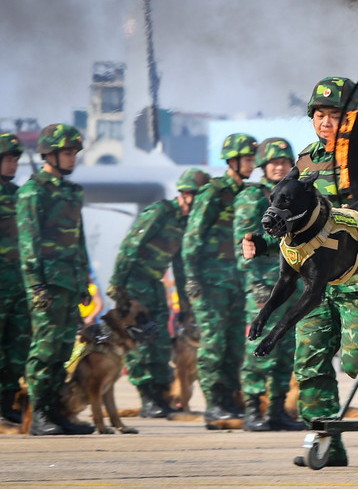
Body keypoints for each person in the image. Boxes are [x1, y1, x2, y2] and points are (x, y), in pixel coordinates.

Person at [243, 77, 358, 466]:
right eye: (319, 114)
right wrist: (265, 243)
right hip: (314, 281)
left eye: (334, 115)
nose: (325, 121)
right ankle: (327, 443)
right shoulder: (307, 160)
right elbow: (294, 224)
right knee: (309, 363)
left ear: (352, 117)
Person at [107, 167, 210, 418]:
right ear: (184, 194)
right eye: (192, 196)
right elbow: (131, 245)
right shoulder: (160, 212)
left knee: (160, 339)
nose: (196, 203)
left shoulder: (187, 224)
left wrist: (186, 308)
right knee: (139, 341)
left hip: (154, 282)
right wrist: (118, 284)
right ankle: (148, 398)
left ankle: (160, 397)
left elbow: (181, 266)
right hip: (133, 282)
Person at [16, 124, 94, 435]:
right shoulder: (33, 191)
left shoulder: (72, 191)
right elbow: (28, 243)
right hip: (47, 286)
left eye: (75, 153)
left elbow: (79, 239)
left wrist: (84, 282)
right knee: (45, 351)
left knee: (63, 351)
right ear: (49, 154)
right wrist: (36, 285)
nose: (72, 158)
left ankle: (55, 413)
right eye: (66, 152)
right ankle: (39, 416)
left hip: (69, 284)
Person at [182, 133, 257, 427]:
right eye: (248, 160)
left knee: (234, 345)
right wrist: (192, 279)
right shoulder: (213, 191)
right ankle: (214, 405)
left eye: (253, 159)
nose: (252, 165)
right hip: (211, 283)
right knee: (213, 344)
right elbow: (193, 236)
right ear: (233, 161)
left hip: (237, 282)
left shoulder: (249, 192)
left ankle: (228, 401)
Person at [234, 137, 305, 432]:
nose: (280, 166)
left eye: (285, 162)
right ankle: (253, 409)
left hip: (290, 282)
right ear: (264, 166)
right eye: (274, 162)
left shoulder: (293, 195)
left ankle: (276, 410)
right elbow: (244, 243)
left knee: (285, 346)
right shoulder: (252, 197)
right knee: (257, 344)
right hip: (263, 287)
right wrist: (253, 282)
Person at [0, 132, 30, 424]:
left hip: (19, 284)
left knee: (18, 345)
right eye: (7, 159)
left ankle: (8, 403)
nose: (12, 165)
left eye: (15, 160)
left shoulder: (21, 196)